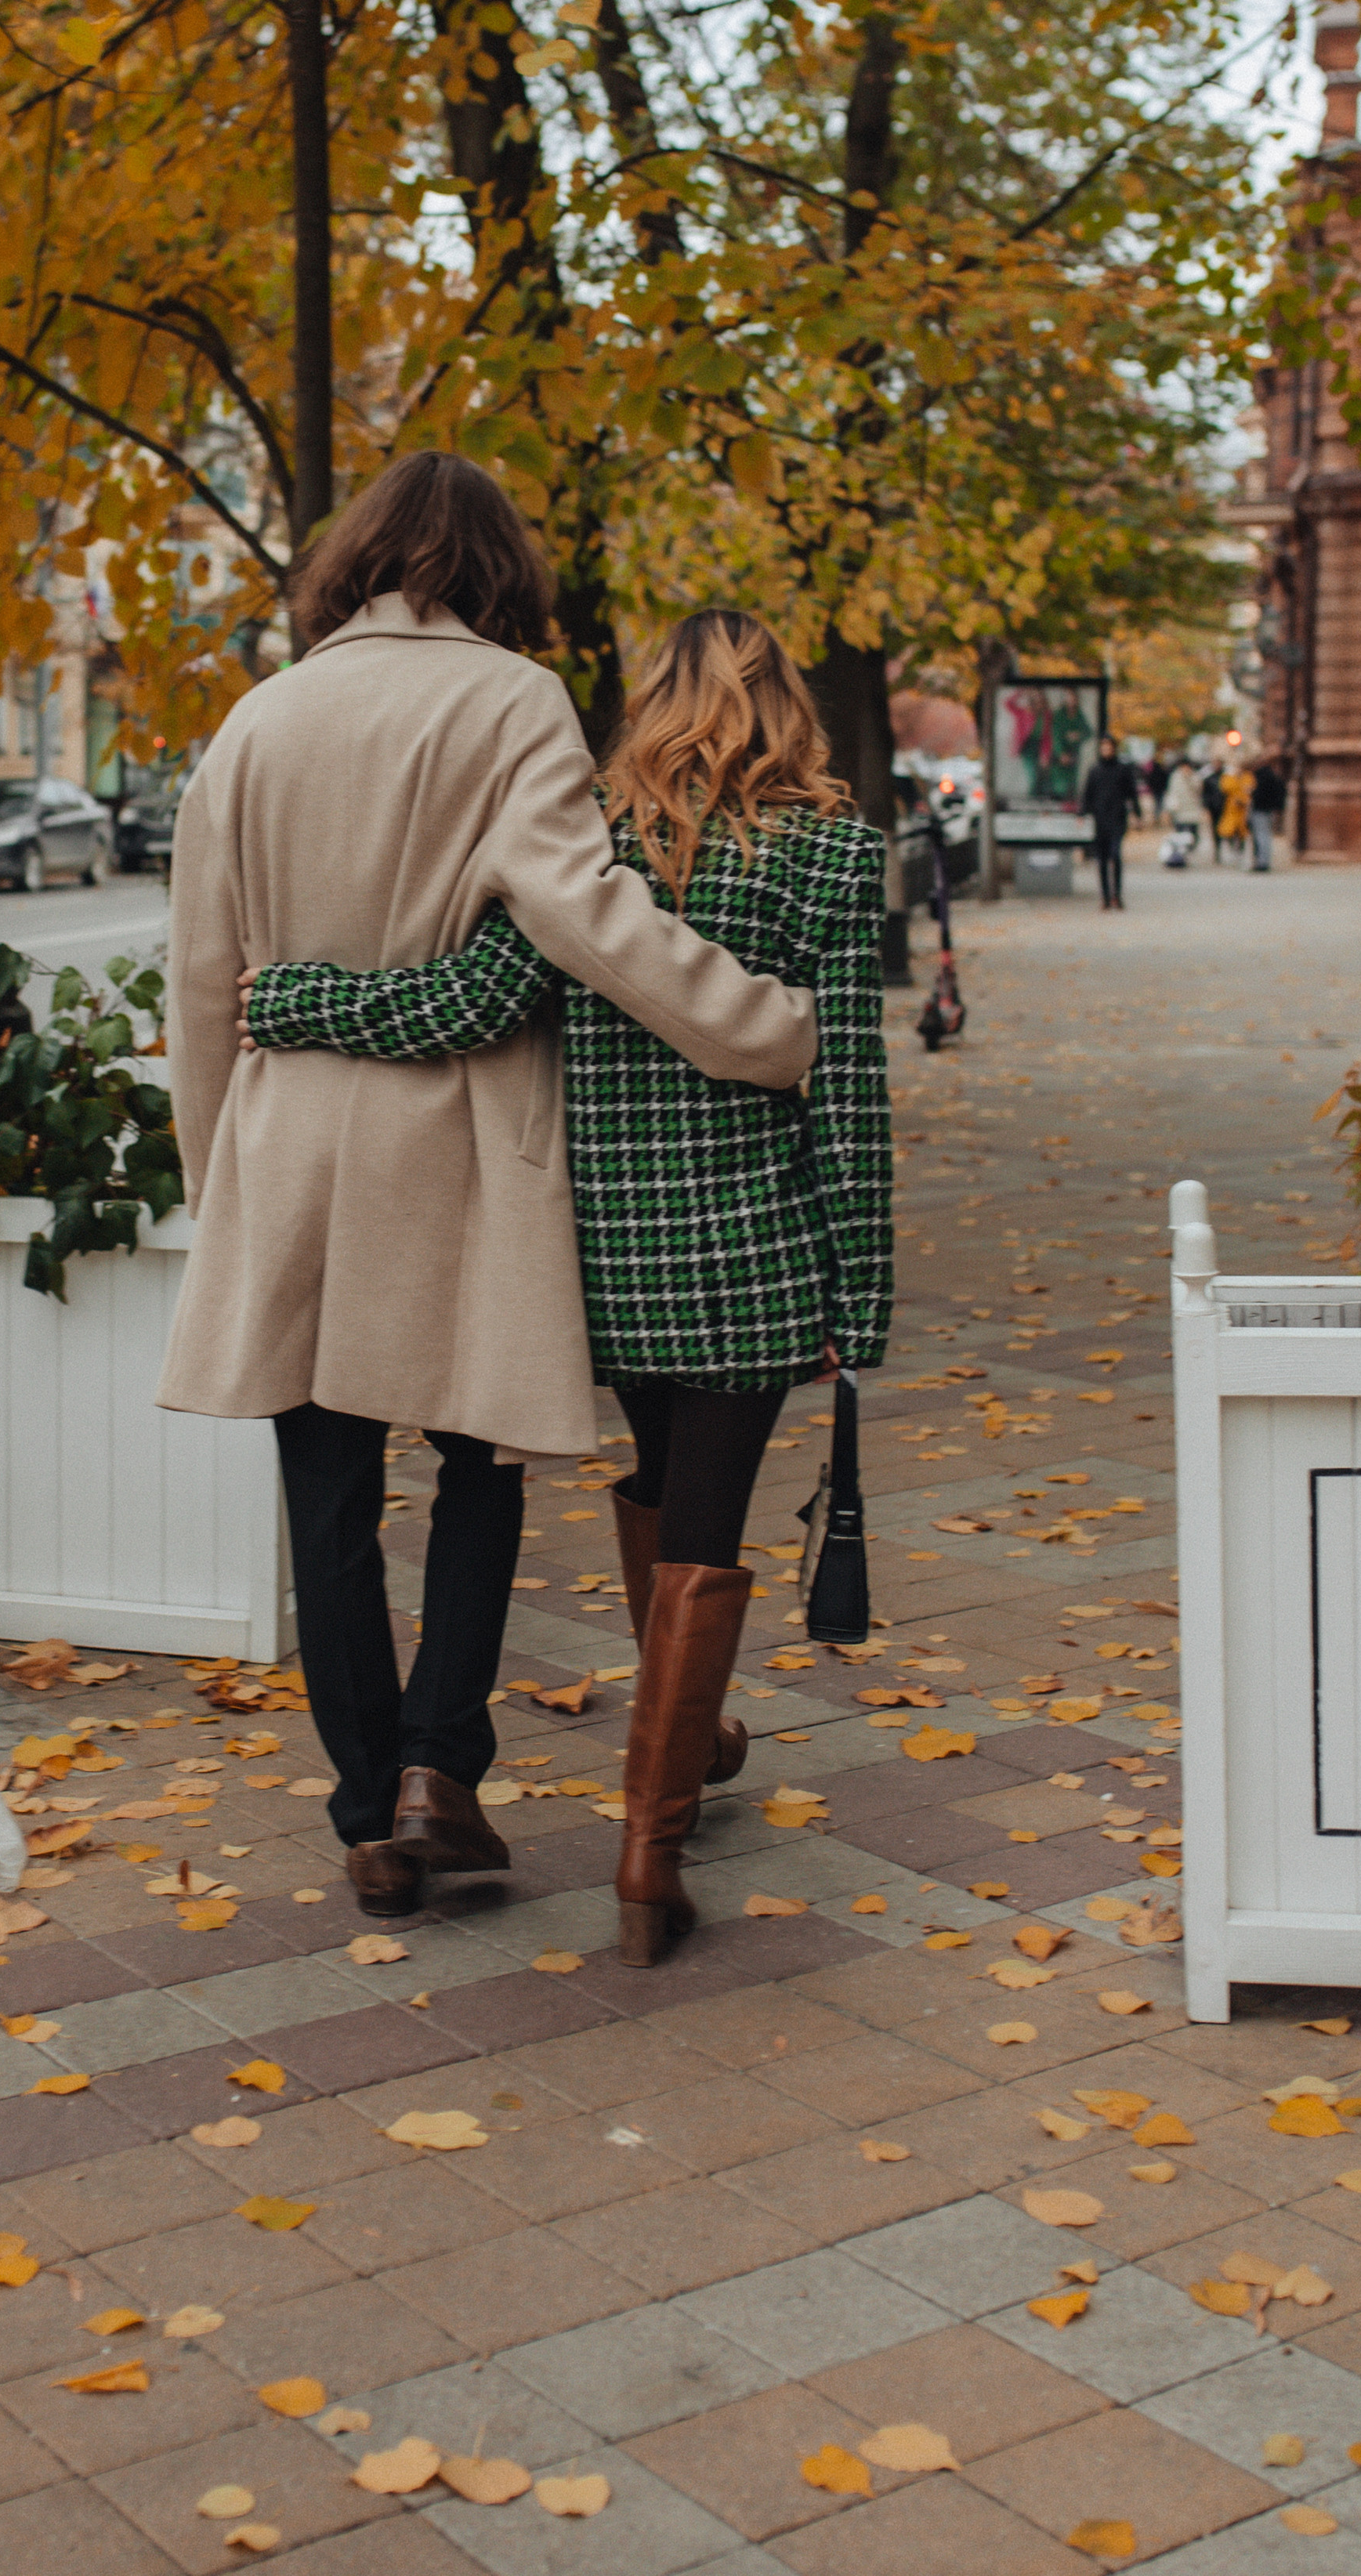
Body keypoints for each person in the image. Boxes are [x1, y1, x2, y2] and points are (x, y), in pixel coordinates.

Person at [159, 459, 819, 1923]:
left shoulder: (253, 722)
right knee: (473, 1468)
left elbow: (200, 986)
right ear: (495, 570)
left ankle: (363, 1806)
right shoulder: (511, 703)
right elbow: (588, 916)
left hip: (288, 1151)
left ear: (358, 562)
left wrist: (223, 1189)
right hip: (451, 1148)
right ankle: (436, 1772)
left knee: (324, 1490)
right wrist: (756, 1029)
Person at [241, 610, 891, 1965]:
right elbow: (852, 1102)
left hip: (594, 1262)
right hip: (747, 1258)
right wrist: (859, 1294)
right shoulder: (833, 852)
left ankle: (691, 1737)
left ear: (646, 705)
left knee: (653, 1490)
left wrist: (296, 1000)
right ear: (788, 708)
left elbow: (467, 1007)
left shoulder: (585, 842)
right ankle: (647, 1854)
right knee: (701, 1533)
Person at [1082, 736, 1139, 911]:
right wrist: (1082, 814)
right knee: (1102, 860)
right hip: (1100, 820)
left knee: (1115, 856)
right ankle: (1105, 897)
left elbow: (1132, 792)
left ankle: (1117, 895)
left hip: (1117, 818)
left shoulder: (1122, 769)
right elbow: (1087, 794)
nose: (1106, 751)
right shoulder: (1095, 770)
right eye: (1103, 747)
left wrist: (1137, 814)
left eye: (1109, 747)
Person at [1250, 753, 1287, 872]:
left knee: (1261, 836)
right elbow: (1281, 792)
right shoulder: (1274, 776)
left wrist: (1252, 793)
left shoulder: (1260, 776)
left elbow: (1258, 794)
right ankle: (1264, 860)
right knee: (1265, 836)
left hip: (1260, 809)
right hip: (1268, 809)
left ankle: (1262, 862)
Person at [1218, 756, 1253, 863]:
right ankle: (1233, 850)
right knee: (1230, 831)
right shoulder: (1229, 777)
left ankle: (1240, 852)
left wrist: (1244, 799)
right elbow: (1225, 788)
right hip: (1232, 808)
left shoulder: (1248, 777)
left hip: (1243, 809)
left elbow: (1250, 789)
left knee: (1242, 832)